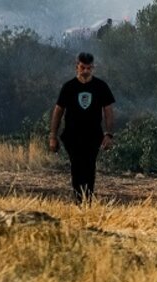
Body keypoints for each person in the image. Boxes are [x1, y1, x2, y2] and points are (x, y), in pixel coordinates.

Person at [48, 52, 116, 202]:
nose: (85, 71)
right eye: (83, 67)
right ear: (76, 67)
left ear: (93, 68)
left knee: (90, 167)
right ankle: (79, 200)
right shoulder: (69, 87)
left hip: (93, 135)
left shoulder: (101, 86)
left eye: (89, 68)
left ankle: (88, 201)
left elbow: (108, 111)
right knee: (77, 166)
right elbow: (58, 111)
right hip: (72, 135)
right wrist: (53, 136)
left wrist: (109, 134)